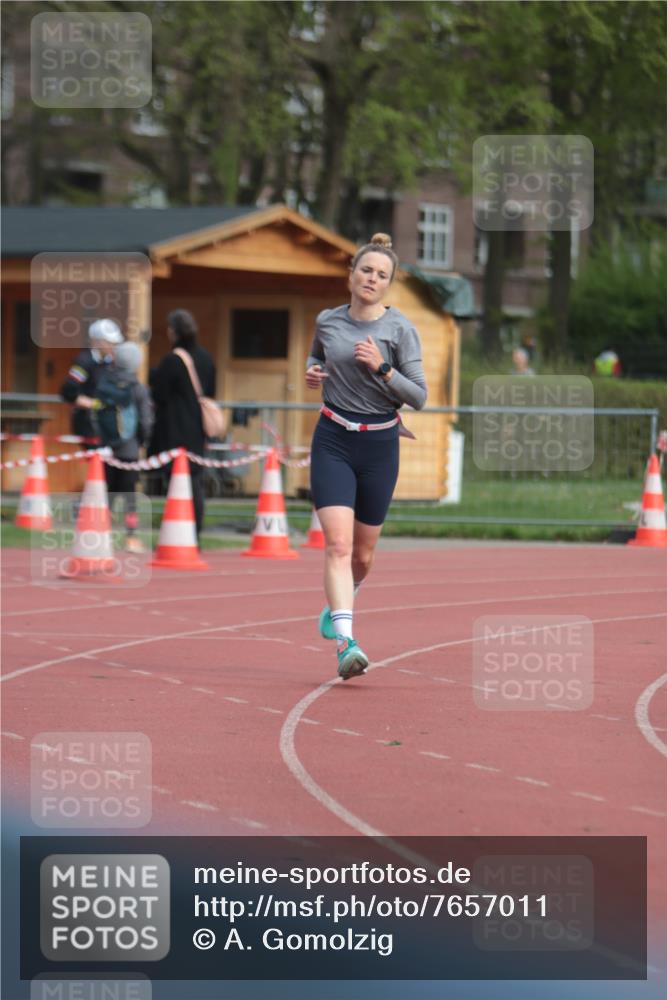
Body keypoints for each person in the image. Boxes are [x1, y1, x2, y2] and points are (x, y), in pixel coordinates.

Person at [305, 233, 427, 681]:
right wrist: (311, 371)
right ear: (351, 275)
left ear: (388, 284)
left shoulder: (400, 330)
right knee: (336, 545)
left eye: (381, 274)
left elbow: (419, 397)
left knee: (363, 556)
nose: (371, 279)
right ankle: (346, 643)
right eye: (365, 270)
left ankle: (342, 600)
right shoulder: (328, 320)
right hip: (333, 439)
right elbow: (316, 356)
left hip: (379, 446)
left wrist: (382, 366)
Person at [76, 341, 154, 552]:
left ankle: (101, 534)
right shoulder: (138, 388)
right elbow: (146, 421)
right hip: (129, 450)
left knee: (105, 493)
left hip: (105, 449)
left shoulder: (103, 384)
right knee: (129, 496)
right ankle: (130, 537)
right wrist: (142, 441)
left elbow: (94, 413)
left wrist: (101, 438)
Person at [148, 309, 216, 538]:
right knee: (195, 482)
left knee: (175, 482)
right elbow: (210, 392)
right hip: (198, 429)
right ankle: (194, 531)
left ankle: (176, 532)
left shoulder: (172, 360)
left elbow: (160, 395)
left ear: (173, 332)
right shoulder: (206, 358)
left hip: (174, 429)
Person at [60, 318, 124, 441]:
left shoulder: (112, 362)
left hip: (108, 421)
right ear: (96, 341)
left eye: (115, 343)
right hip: (88, 422)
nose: (113, 346)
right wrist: (92, 403)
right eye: (109, 342)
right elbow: (68, 391)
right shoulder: (84, 362)